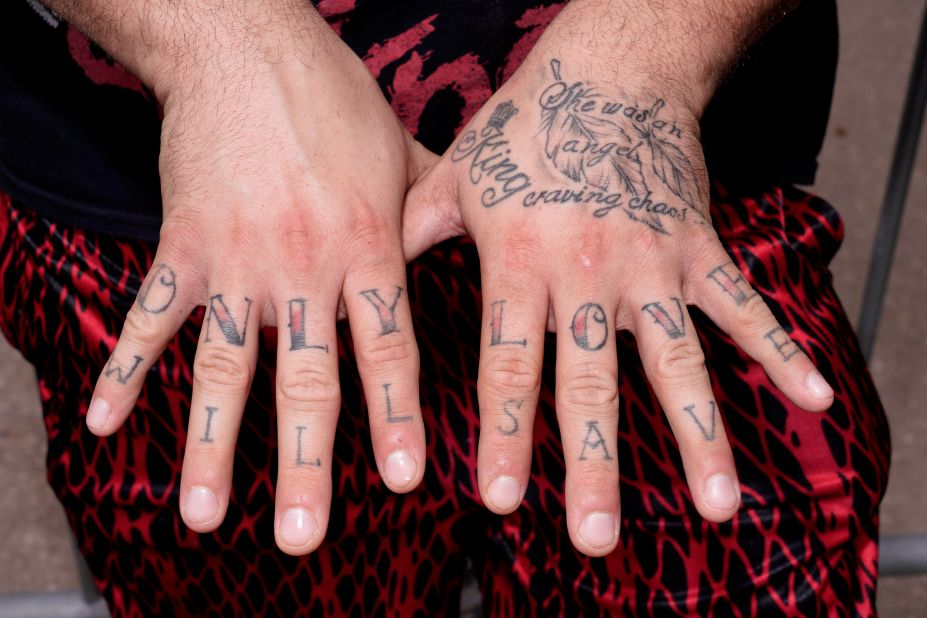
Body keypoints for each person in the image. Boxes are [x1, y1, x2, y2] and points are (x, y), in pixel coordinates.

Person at [0, 0, 888, 614]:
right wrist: (212, 45)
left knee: (736, 563)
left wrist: (645, 54)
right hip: (187, 209)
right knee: (245, 568)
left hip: (654, 189)